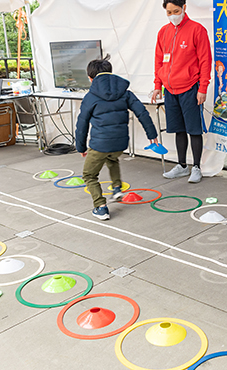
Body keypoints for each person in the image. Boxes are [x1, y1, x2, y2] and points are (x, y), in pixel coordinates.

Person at [75, 55, 159, 221]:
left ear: (91, 79)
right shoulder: (125, 93)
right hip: (120, 143)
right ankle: (116, 188)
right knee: (112, 158)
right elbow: (142, 113)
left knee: (89, 175)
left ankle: (100, 207)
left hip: (99, 144)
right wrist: (152, 135)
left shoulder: (90, 97)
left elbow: (81, 124)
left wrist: (81, 147)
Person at [151, 0, 211, 183]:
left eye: (176, 11)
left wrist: (202, 88)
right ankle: (182, 166)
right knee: (178, 129)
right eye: (168, 12)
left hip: (190, 89)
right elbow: (159, 61)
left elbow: (205, 61)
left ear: (184, 8)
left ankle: (197, 167)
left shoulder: (197, 30)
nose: (172, 15)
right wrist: (157, 85)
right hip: (170, 90)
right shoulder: (163, 32)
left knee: (194, 130)